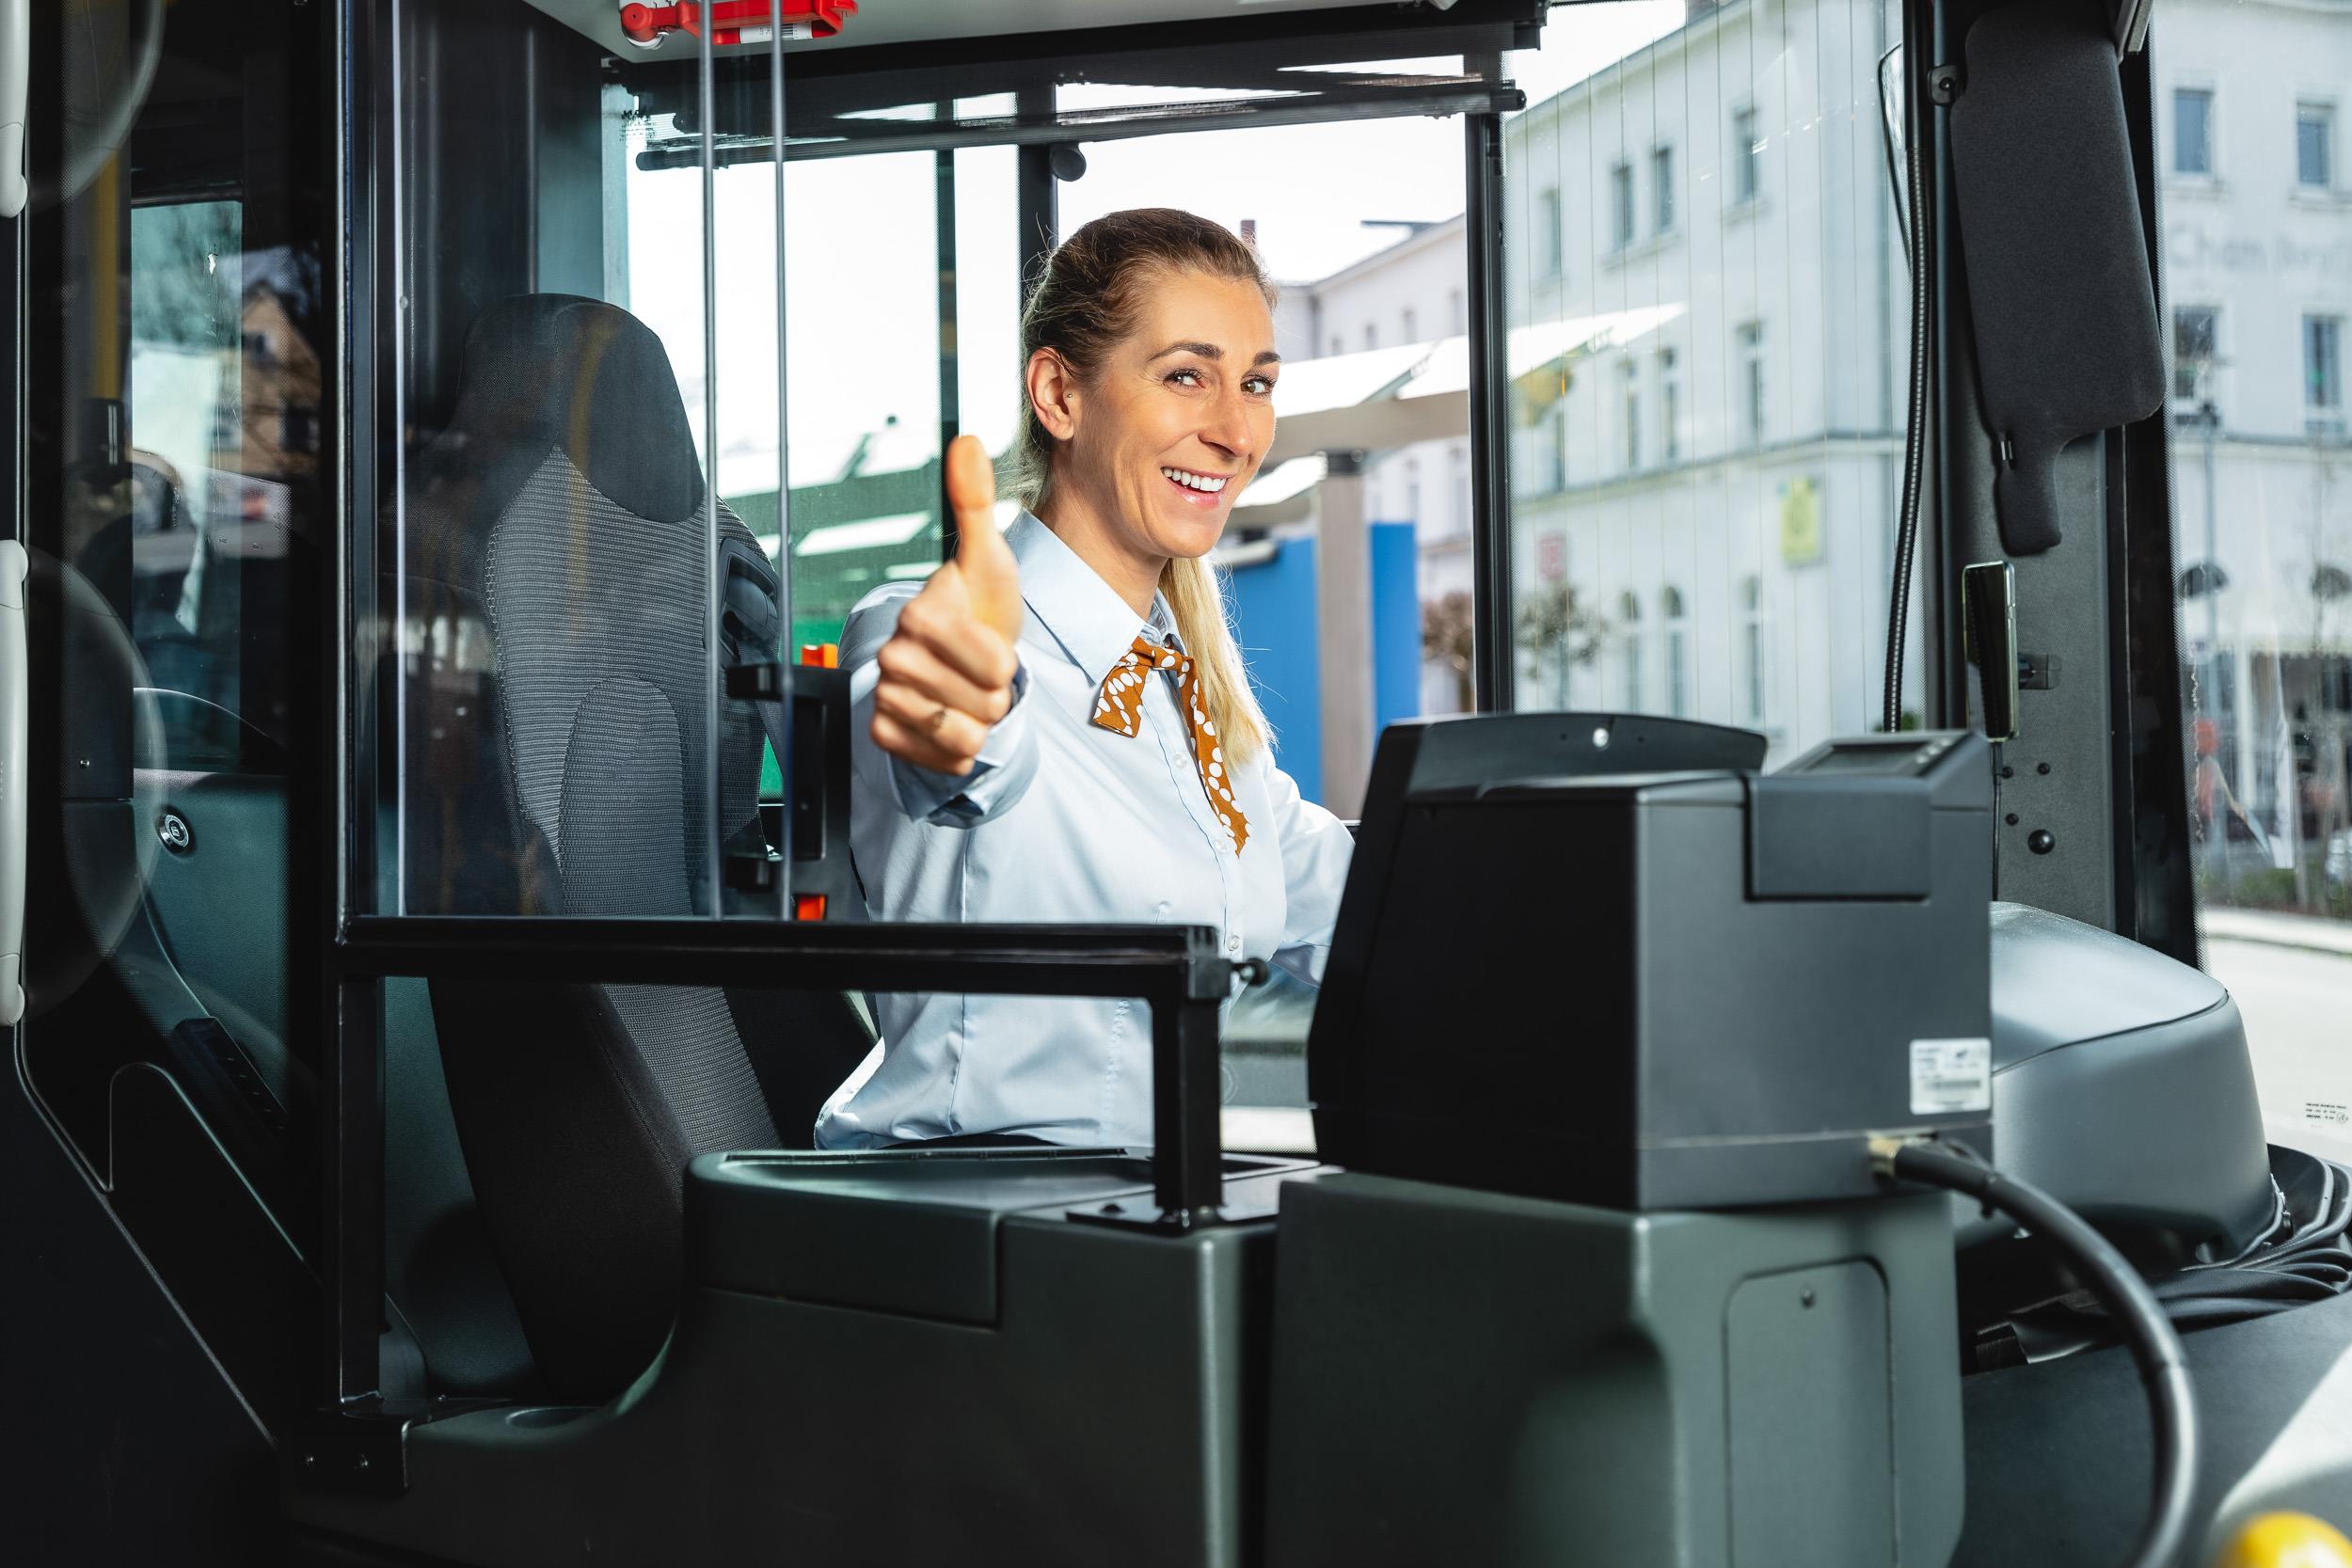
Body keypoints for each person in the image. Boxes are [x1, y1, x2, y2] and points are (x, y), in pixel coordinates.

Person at [814, 208, 1356, 1149]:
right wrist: (960, 715)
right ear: (1060, 395)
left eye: (1256, 383)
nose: (1236, 430)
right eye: (1186, 375)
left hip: (1141, 1201)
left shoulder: (1187, 709)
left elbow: (1351, 891)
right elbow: (962, 750)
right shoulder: (933, 634)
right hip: (964, 1206)